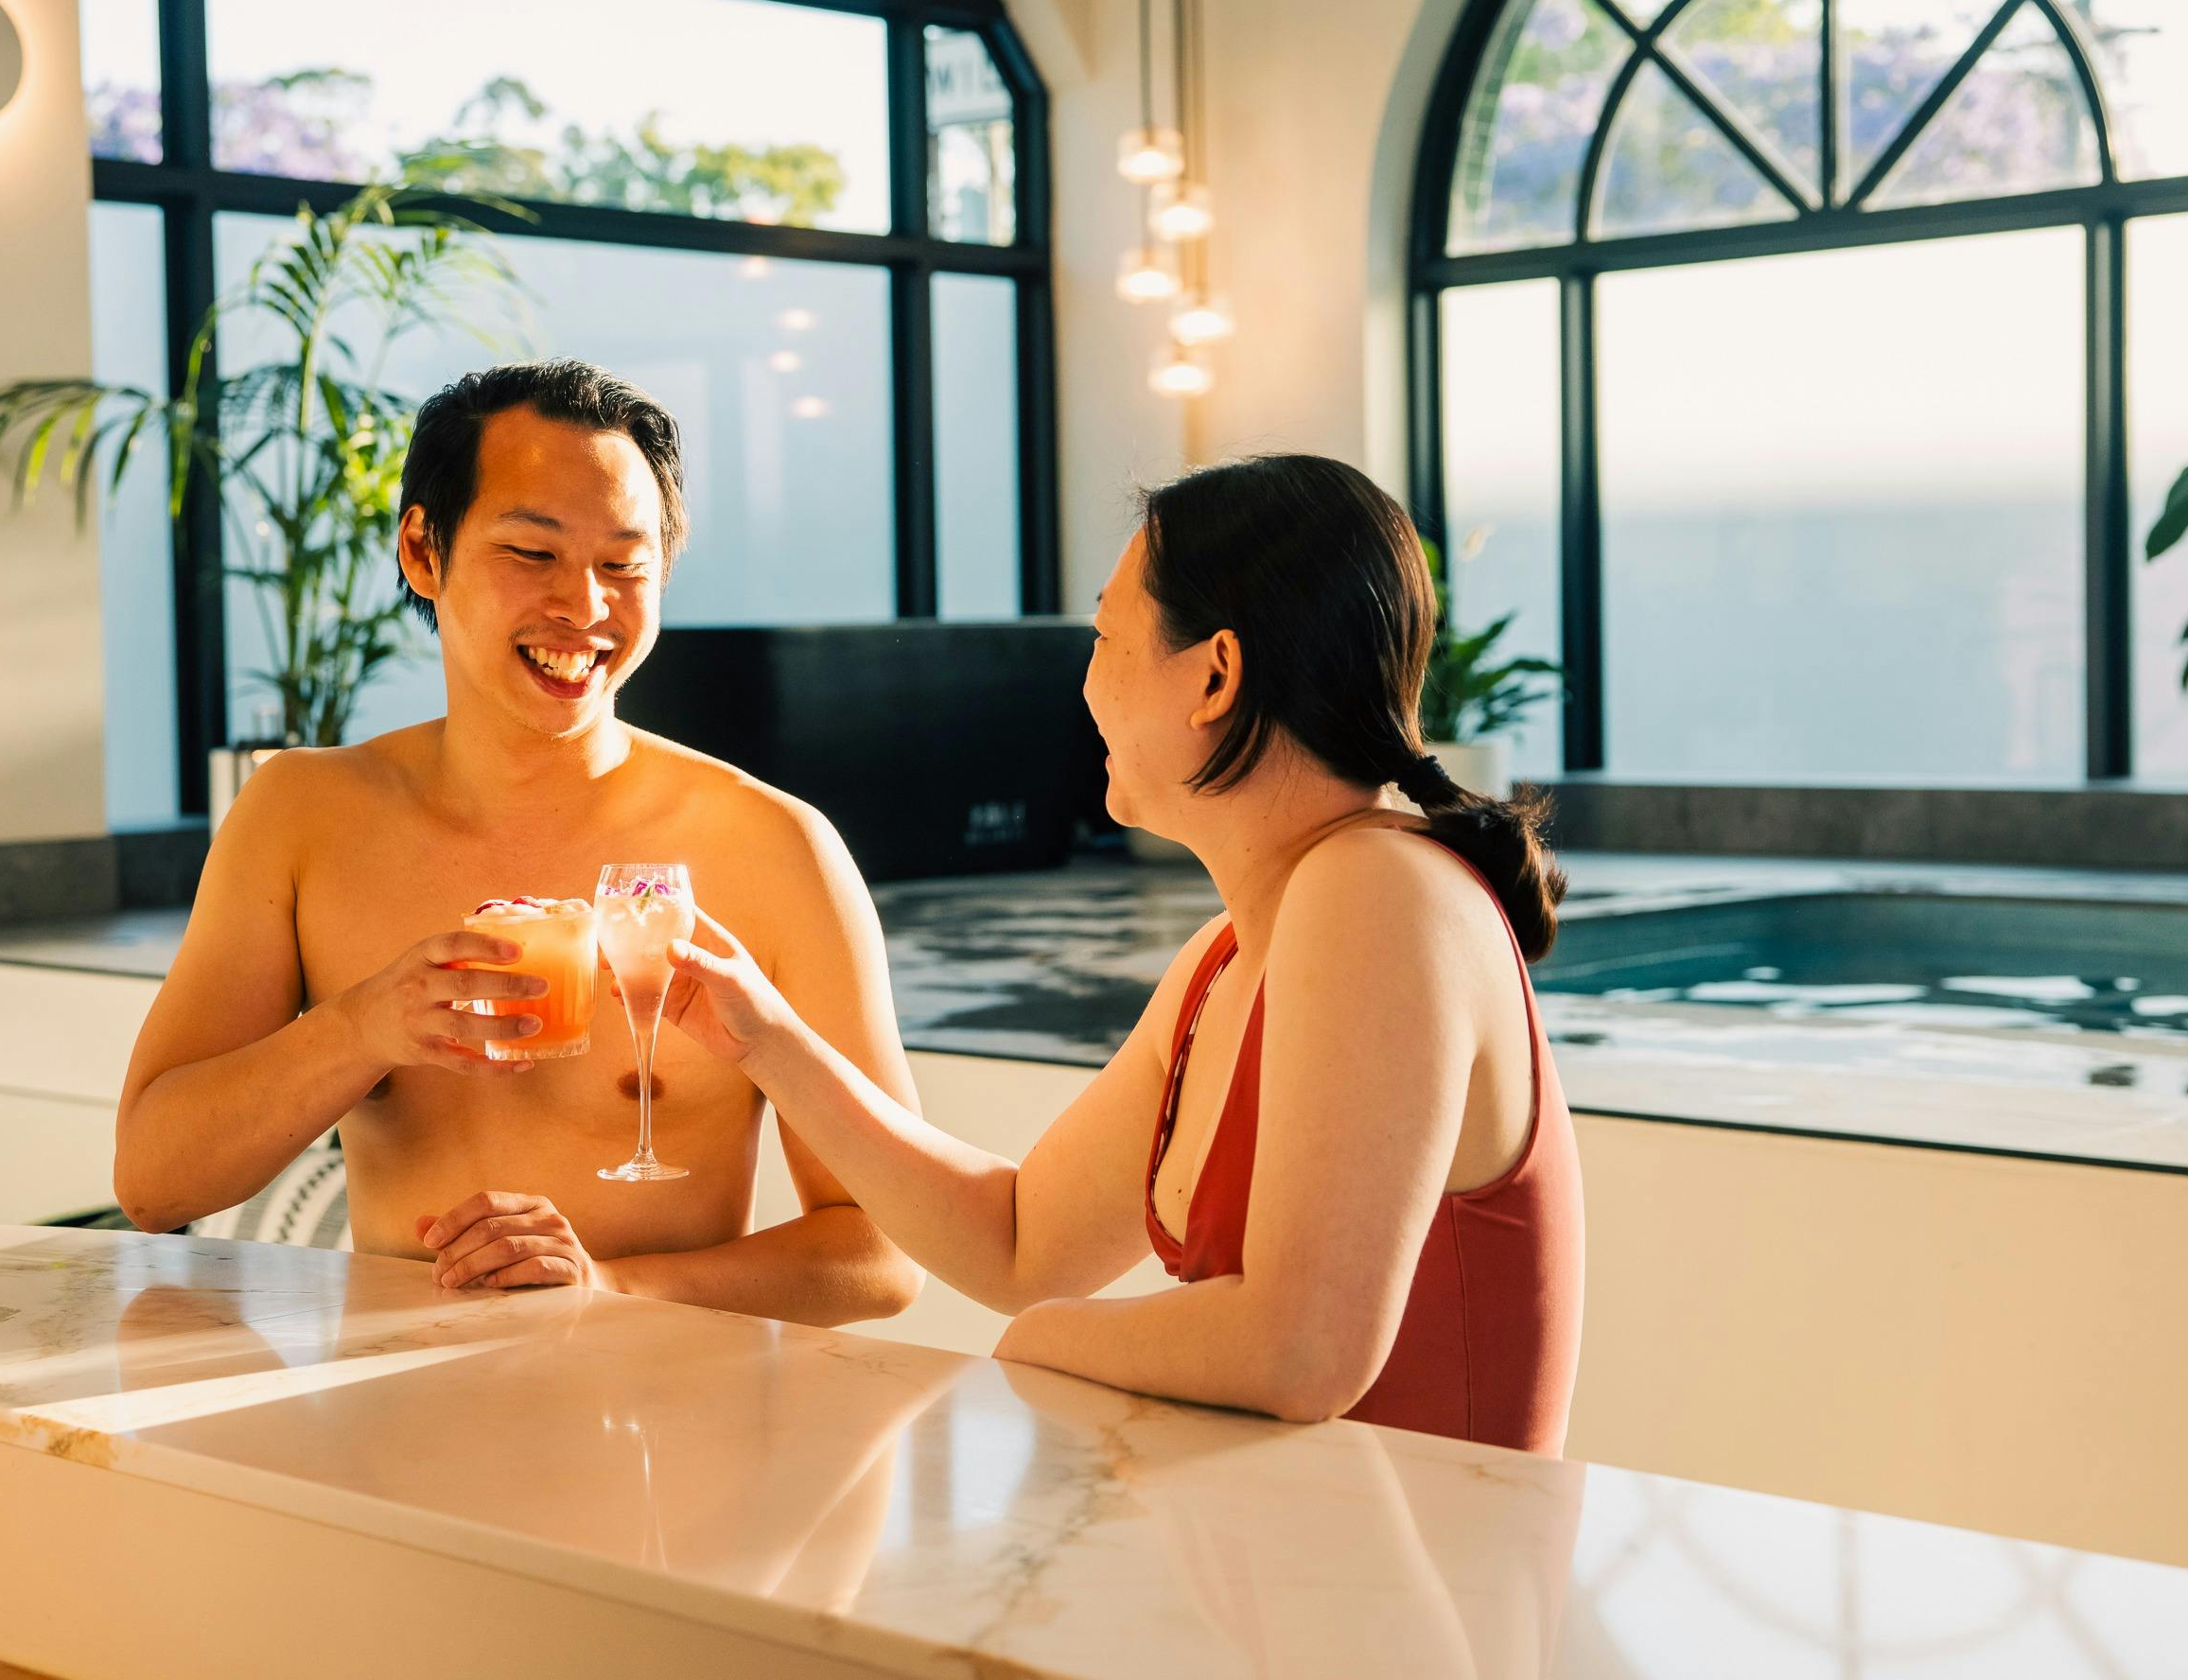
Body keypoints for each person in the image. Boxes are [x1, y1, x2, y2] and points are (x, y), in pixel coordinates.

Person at [661, 453, 1584, 1444]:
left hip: (1428, 1588)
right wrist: (764, 1038)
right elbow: (1018, 1245)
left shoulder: (1381, 895)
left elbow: (1301, 1351)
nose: (1088, 683)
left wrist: (1044, 1343)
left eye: (1106, 637)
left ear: (1215, 675)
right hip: (1304, 1571)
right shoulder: (1225, 961)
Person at [112, 359, 924, 1329]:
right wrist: (363, 1028)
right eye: (533, 555)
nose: (584, 608)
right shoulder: (303, 816)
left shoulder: (770, 846)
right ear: (422, 550)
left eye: (625, 564)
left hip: (663, 1438)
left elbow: (884, 1250)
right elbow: (154, 1185)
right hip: (392, 1431)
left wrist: (617, 1286)